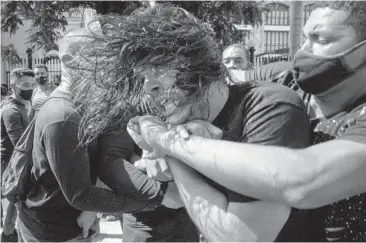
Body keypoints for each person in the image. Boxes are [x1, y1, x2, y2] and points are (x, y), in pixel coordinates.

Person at [129, 1, 366, 241]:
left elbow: (299, 179)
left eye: (322, 40)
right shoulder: (285, 79)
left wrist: (170, 142)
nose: (303, 51)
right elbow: (217, 76)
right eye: (305, 37)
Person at [83, 4, 313, 241]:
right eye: (142, 76)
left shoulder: (269, 106)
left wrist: (172, 149)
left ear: (197, 60)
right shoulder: (179, 118)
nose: (148, 86)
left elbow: (241, 236)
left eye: (159, 66)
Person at [16, 28, 179, 242]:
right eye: (97, 58)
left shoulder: (82, 105)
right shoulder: (63, 116)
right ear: (69, 60)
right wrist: (155, 198)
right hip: (54, 232)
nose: (106, 66)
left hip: (73, 225)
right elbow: (80, 194)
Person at [69, 16, 198, 241]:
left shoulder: (193, 95)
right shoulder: (123, 101)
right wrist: (161, 193)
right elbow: (110, 159)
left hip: (188, 219)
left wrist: (150, 162)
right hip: (144, 223)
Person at [1, 68, 36, 242]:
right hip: (11, 163)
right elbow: (20, 144)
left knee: (18, 201)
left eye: (31, 84)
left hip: (19, 161)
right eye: (25, 85)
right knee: (19, 201)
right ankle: (10, 235)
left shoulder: (23, 105)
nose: (29, 88)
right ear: (14, 85)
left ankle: (8, 233)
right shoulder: (11, 111)